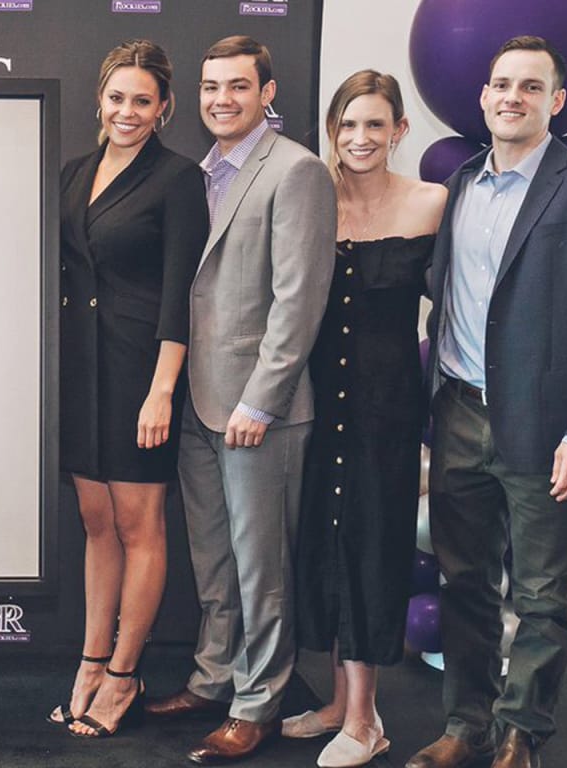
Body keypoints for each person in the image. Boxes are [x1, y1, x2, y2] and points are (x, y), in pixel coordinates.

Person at [409, 36, 567, 768]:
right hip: (456, 412)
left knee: (545, 596)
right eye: (501, 83)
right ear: (482, 97)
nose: (511, 96)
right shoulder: (459, 190)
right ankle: (467, 725)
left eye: (529, 86)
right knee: (466, 583)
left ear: (557, 101)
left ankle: (522, 735)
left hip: (549, 429)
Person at [143, 35, 336, 765]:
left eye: (236, 86)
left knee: (263, 568)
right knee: (214, 560)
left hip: (261, 412)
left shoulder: (298, 171)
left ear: (267, 93)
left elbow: (298, 300)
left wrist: (262, 400)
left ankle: (258, 702)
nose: (221, 98)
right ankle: (213, 675)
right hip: (199, 401)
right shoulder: (203, 173)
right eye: (210, 87)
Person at [280, 70, 446, 768]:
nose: (359, 139)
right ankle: (338, 705)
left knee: (372, 551)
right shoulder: (313, 199)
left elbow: (460, 314)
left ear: (399, 130)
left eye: (375, 125)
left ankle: (367, 718)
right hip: (317, 406)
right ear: (331, 130)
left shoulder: (431, 203)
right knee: (324, 545)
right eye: (347, 125)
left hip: (386, 408)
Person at [50, 38, 208, 739]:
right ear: (100, 99)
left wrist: (163, 390)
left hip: (141, 371)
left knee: (141, 526)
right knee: (96, 522)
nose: (128, 110)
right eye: (118, 97)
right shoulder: (72, 172)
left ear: (164, 108)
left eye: (143, 100)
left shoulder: (177, 179)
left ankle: (124, 673)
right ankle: (90, 661)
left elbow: (182, 297)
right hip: (81, 370)